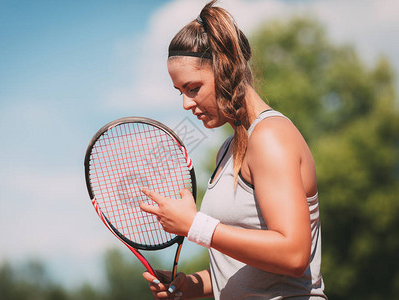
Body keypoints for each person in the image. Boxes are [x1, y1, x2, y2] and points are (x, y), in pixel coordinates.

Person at [139, 1, 327, 299]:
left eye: (193, 88)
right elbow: (246, 266)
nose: (186, 104)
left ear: (225, 70)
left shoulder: (270, 137)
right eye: (180, 92)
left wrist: (195, 225)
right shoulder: (227, 150)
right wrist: (191, 285)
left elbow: (293, 255)